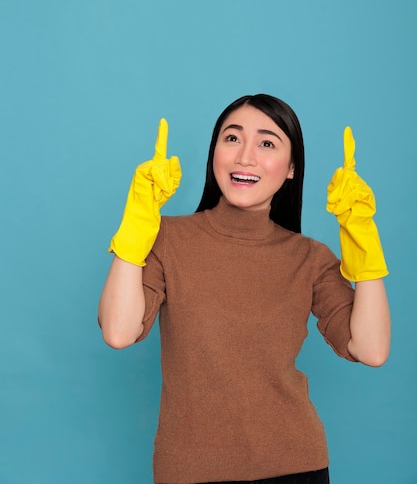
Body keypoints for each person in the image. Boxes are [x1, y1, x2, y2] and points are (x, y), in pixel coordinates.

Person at [98, 93, 390, 484]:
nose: (245, 157)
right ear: (214, 152)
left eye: (267, 143)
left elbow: (370, 349)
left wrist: (363, 245)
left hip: (296, 466)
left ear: (291, 169)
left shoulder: (310, 258)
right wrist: (134, 232)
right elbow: (119, 332)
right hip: (189, 472)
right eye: (232, 138)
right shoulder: (167, 238)